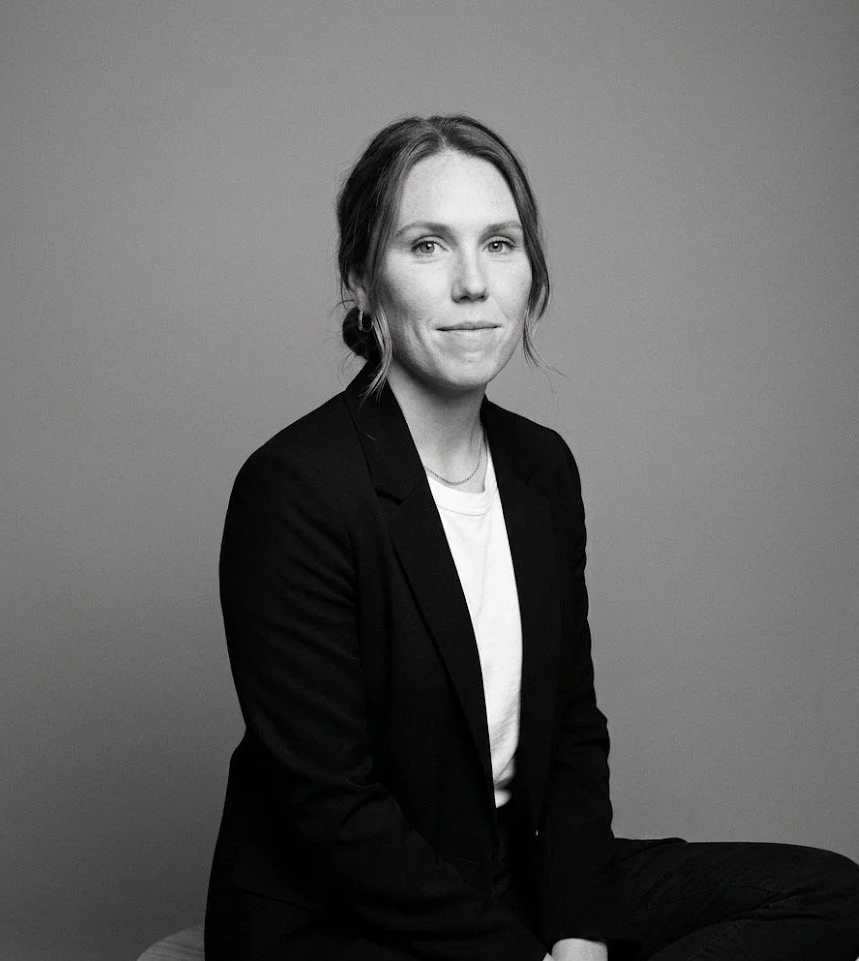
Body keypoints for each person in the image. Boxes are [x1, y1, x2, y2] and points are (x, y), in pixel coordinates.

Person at [204, 115, 859, 961]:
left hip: (513, 870)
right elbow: (330, 806)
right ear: (363, 280)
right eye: (428, 246)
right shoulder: (295, 488)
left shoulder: (541, 470)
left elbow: (573, 732)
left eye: (500, 244)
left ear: (529, 271)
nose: (473, 283)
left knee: (826, 894)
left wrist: (580, 931)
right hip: (338, 913)